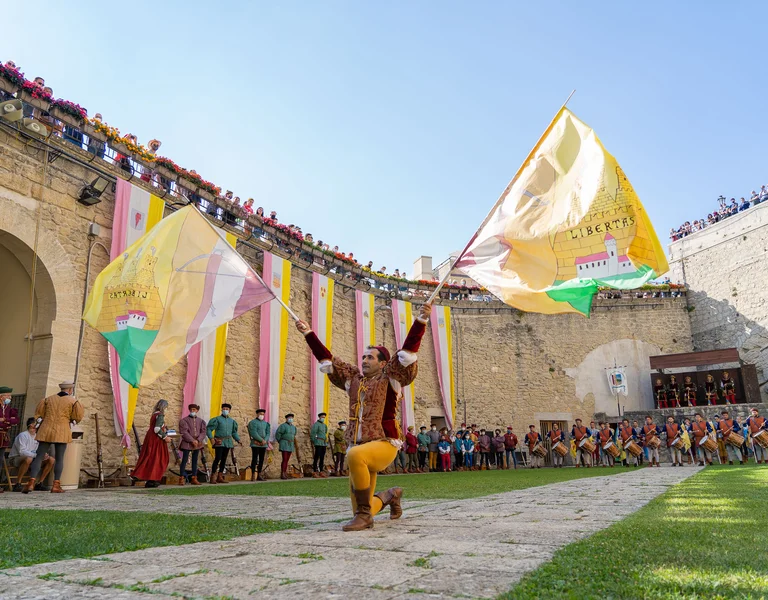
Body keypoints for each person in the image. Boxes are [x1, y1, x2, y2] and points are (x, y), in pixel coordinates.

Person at [296, 303, 430, 531]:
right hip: (359, 443)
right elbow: (328, 360)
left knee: (355, 456)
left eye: (370, 357)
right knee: (362, 500)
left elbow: (407, 353)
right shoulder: (354, 380)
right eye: (364, 357)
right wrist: (308, 333)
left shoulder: (392, 378)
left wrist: (421, 321)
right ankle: (390, 496)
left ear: (383, 363)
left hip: (384, 443)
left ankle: (365, 515)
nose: (365, 361)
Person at [23, 381, 84, 494]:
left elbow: (39, 414)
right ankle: (56, 485)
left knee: (39, 456)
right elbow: (77, 417)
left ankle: (31, 483)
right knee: (59, 458)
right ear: (70, 390)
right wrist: (70, 421)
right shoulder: (73, 401)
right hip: (62, 430)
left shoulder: (47, 399)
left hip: (46, 429)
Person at [8, 418, 54, 492]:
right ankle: (18, 483)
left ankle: (40, 483)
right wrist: (37, 456)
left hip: (33, 458)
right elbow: (22, 452)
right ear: (30, 425)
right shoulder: (23, 435)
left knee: (51, 460)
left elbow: (38, 450)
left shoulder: (38, 436)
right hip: (17, 458)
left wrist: (43, 455)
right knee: (29, 458)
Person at [132, 399, 170, 488]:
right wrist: (165, 437)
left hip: (151, 438)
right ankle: (153, 479)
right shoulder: (160, 415)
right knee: (158, 459)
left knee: (151, 458)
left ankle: (151, 479)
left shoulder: (154, 414)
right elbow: (157, 429)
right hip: (156, 440)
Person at [206, 403, 240, 483]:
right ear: (222, 409)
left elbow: (234, 432)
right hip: (219, 441)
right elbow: (209, 429)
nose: (225, 410)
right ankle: (213, 476)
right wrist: (211, 438)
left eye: (227, 409)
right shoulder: (217, 419)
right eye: (224, 409)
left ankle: (220, 476)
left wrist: (238, 439)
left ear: (229, 410)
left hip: (228, 442)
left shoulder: (232, 421)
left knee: (224, 459)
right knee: (218, 458)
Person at [178, 404, 206, 485]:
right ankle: (181, 478)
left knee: (195, 460)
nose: (193, 411)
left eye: (194, 409)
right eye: (191, 409)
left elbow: (203, 432)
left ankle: (194, 478)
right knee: (185, 460)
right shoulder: (184, 420)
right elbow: (184, 431)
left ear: (197, 411)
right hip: (187, 442)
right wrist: (192, 440)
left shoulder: (201, 421)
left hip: (197, 443)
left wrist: (198, 440)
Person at [0, 386, 19, 481]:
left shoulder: (8, 408)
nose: (10, 398)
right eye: (8, 395)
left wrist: (5, 420)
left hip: (3, 437)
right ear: (1, 396)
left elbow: (15, 420)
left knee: (0, 459)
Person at [247, 408, 270, 481]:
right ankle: (253, 474)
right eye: (260, 414)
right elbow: (253, 432)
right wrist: (261, 440)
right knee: (254, 459)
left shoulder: (266, 423)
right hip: (255, 443)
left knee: (261, 459)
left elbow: (268, 433)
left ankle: (259, 474)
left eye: (263, 414)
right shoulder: (253, 422)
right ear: (257, 414)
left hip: (263, 444)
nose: (262, 415)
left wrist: (265, 440)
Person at [275, 413, 299, 479]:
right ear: (286, 419)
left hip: (290, 444)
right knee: (284, 459)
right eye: (289, 418)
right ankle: (282, 473)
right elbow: (278, 434)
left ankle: (285, 473)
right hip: (284, 443)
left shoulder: (294, 427)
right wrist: (280, 441)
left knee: (287, 459)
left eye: (291, 418)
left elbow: (294, 435)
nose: (290, 419)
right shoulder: (283, 426)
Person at [310, 412, 329, 478]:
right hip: (318, 442)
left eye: (324, 417)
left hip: (323, 443)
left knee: (322, 457)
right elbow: (313, 433)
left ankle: (321, 470)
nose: (323, 418)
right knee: (316, 457)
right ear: (319, 417)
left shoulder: (324, 425)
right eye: (322, 417)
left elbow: (325, 433)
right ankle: (315, 470)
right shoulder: (316, 424)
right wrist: (314, 441)